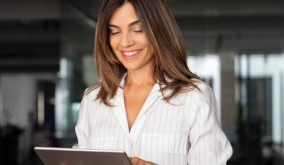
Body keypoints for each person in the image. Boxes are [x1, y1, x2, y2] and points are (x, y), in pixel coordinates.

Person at [74, 0, 233, 164]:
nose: (125, 42)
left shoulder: (194, 97)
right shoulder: (92, 99)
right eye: (115, 32)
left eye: (138, 29)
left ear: (159, 30)